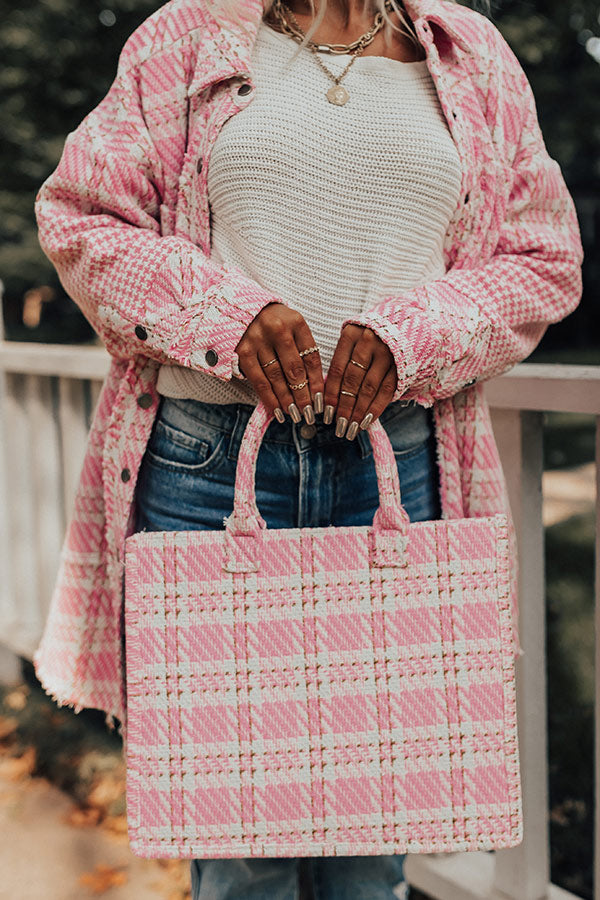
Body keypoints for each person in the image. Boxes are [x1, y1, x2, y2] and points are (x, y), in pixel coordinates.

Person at [33, 0, 583, 897]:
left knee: (376, 843)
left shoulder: (471, 54)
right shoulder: (187, 36)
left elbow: (544, 256)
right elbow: (84, 217)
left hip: (398, 472)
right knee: (241, 850)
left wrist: (418, 331)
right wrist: (227, 315)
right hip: (208, 472)